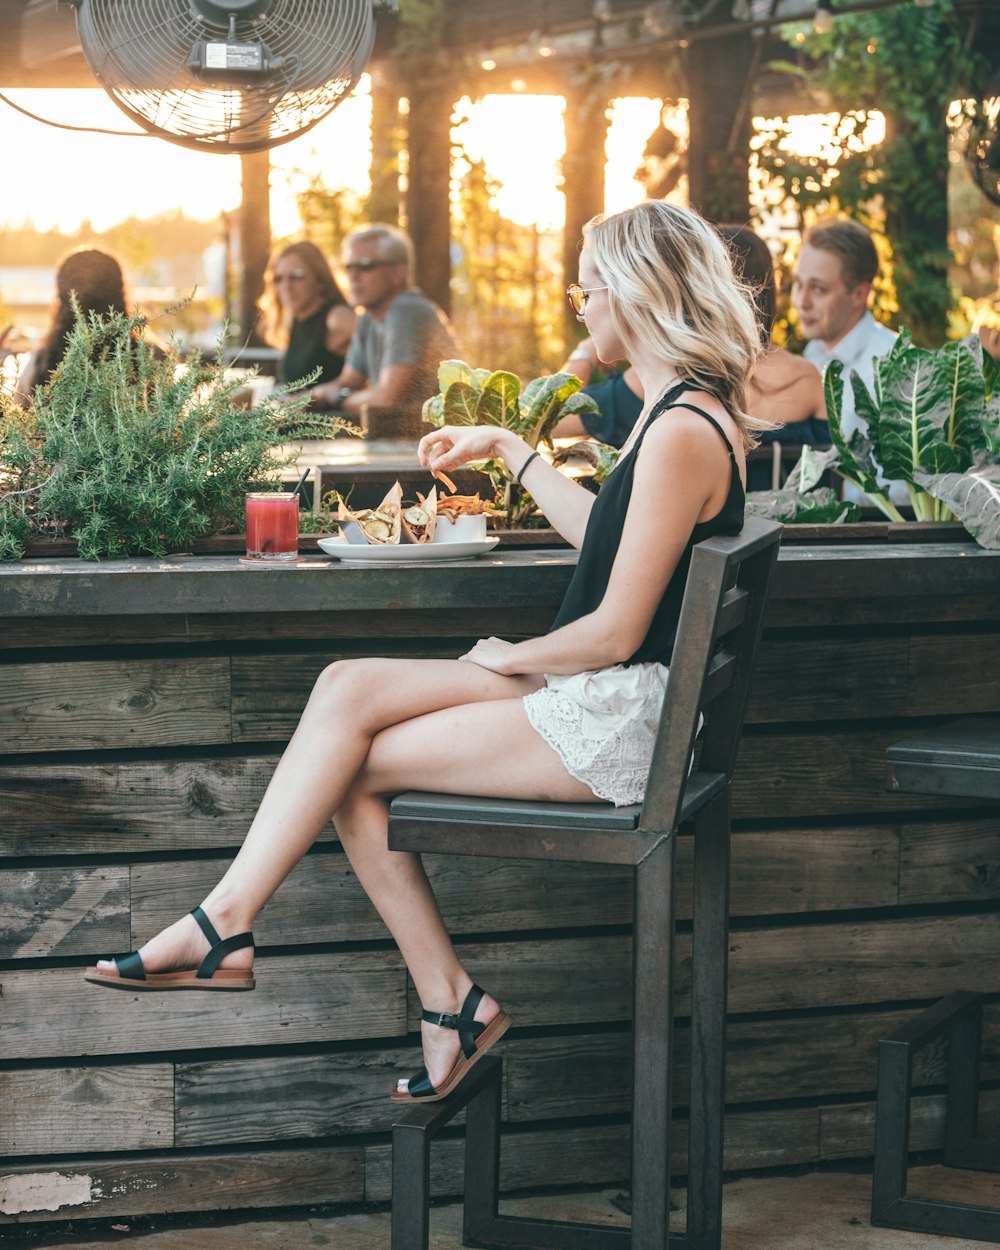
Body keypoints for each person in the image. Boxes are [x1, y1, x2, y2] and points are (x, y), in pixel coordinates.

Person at [84, 200, 767, 1106]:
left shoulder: (680, 431)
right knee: (345, 690)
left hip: (618, 711)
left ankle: (341, 963)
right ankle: (260, 935)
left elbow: (614, 628)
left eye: (587, 288)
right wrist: (512, 448)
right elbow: (606, 538)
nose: (579, 306)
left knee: (354, 767)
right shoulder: (674, 412)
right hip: (605, 686)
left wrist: (509, 660)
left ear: (636, 295)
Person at [554, 223, 826, 478]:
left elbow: (552, 417)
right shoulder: (807, 378)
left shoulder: (665, 377)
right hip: (795, 527)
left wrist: (585, 354)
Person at [790, 215, 899, 501]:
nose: (801, 301)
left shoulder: (895, 364)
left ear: (860, 294)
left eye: (818, 288)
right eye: (798, 283)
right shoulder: (809, 359)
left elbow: (906, 487)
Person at [308, 224, 458, 415]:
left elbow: (387, 399)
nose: (352, 276)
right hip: (400, 439)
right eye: (348, 267)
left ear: (398, 272)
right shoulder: (367, 317)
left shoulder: (407, 309)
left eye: (364, 266)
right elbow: (347, 381)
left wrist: (339, 398)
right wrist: (303, 398)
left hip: (435, 438)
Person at [7, 246, 167, 406]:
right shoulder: (154, 359)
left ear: (63, 300)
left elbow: (21, 423)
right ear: (120, 296)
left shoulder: (38, 365)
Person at [257, 240, 355, 392]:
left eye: (297, 276)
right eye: (278, 279)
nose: (286, 286)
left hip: (334, 415)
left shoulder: (336, 318)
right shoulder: (297, 319)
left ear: (320, 280)